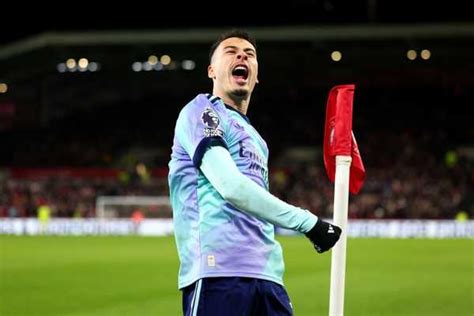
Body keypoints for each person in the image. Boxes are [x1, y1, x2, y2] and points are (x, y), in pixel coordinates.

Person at [168, 29, 342, 316]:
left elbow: (253, 200)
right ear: (212, 70)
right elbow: (230, 186)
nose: (242, 56)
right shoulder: (202, 111)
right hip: (218, 273)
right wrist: (308, 223)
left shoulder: (256, 138)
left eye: (250, 54)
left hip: (269, 277)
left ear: (257, 75)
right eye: (231, 51)